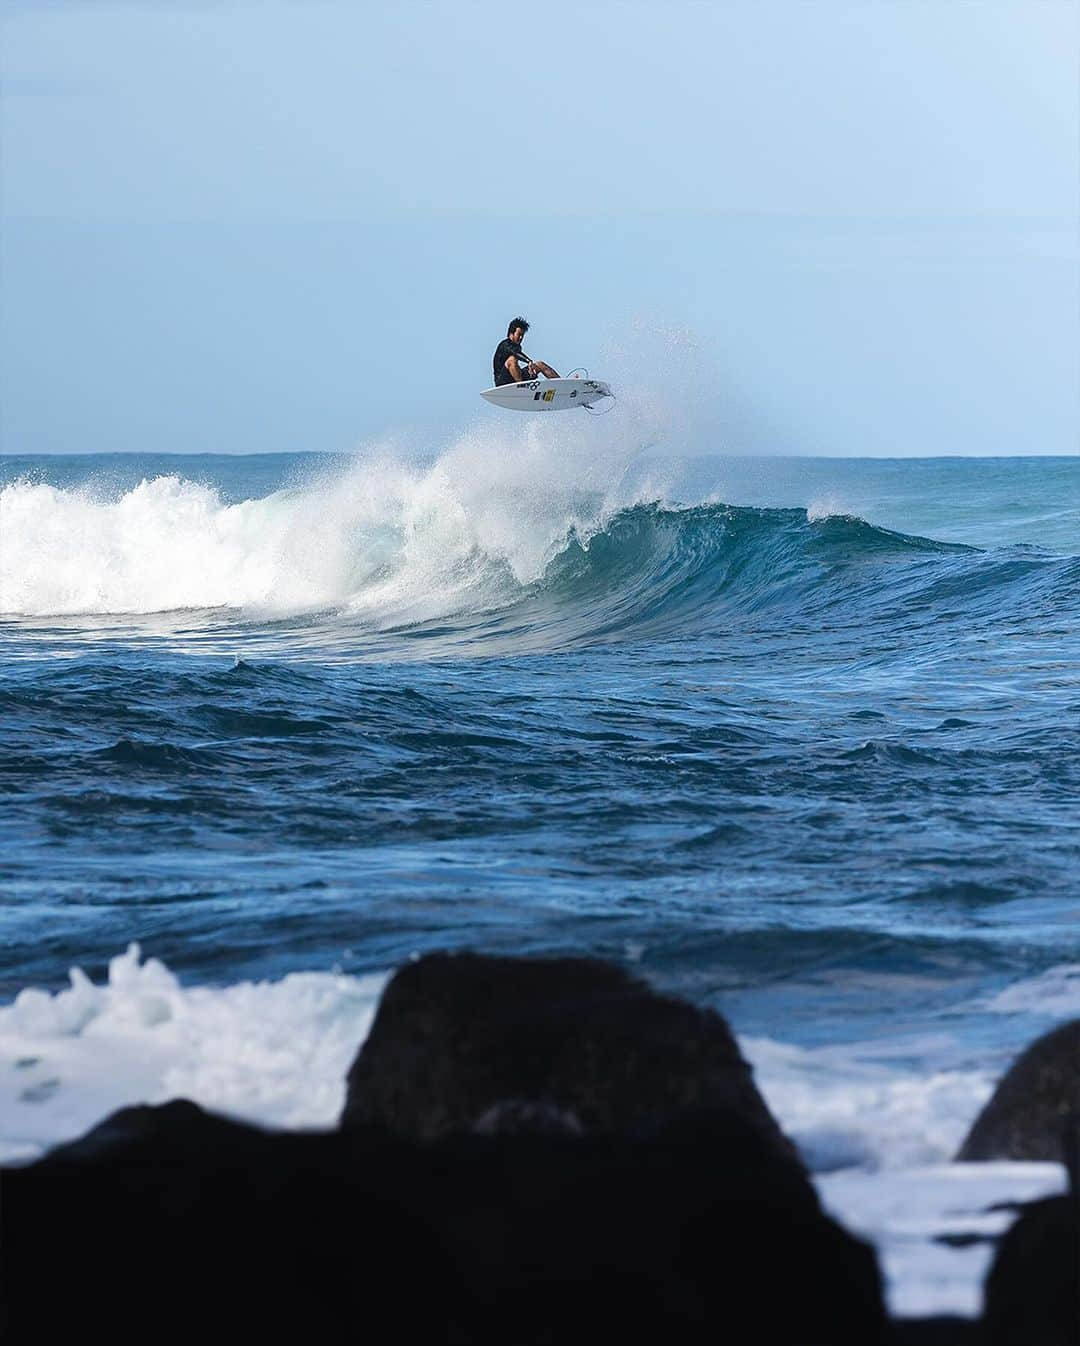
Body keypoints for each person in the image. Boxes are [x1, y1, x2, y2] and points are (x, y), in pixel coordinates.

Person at [492, 318, 560, 387]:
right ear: (511, 333)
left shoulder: (518, 346)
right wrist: (528, 361)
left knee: (539, 364)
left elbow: (518, 354)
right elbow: (514, 353)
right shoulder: (504, 345)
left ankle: (562, 384)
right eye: (519, 334)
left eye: (522, 335)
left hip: (515, 379)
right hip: (502, 381)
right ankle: (522, 387)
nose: (521, 338)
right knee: (512, 360)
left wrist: (531, 365)